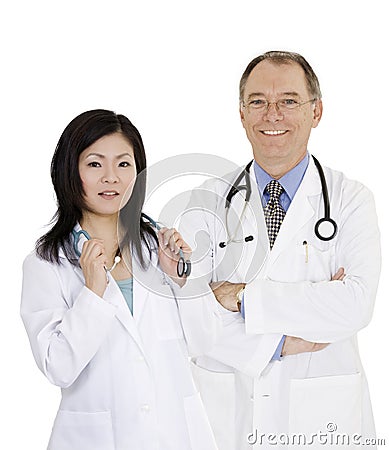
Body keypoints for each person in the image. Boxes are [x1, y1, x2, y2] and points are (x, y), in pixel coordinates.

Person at [179, 51, 381, 449]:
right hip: (228, 415)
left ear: (316, 111)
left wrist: (237, 298)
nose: (273, 115)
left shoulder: (351, 200)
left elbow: (356, 304)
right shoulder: (206, 202)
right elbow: (189, 317)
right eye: (258, 101)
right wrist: (280, 342)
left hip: (323, 418)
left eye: (289, 101)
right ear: (241, 113)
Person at [20, 109, 222, 450]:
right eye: (95, 164)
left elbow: (205, 345)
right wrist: (92, 293)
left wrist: (182, 280)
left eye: (123, 164)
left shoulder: (163, 251)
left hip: (174, 436)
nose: (111, 177)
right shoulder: (46, 263)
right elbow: (58, 367)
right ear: (71, 172)